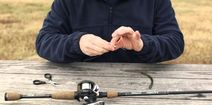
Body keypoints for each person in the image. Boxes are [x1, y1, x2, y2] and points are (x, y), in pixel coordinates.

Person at [36, 0, 184, 63]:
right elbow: (44, 41)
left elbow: (175, 42)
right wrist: (78, 43)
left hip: (142, 82)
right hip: (82, 82)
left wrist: (142, 45)